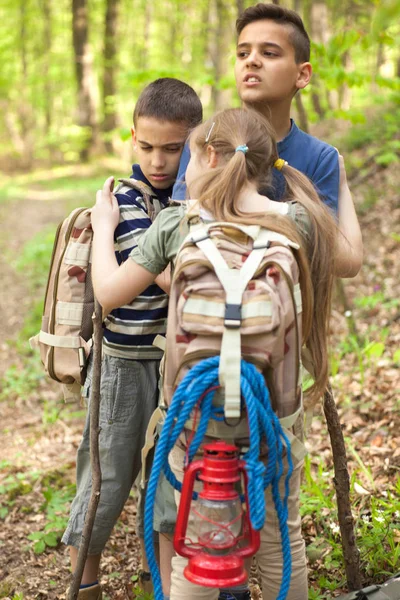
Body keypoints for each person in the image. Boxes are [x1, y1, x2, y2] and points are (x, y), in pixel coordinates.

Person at [90, 107, 356, 600]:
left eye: (188, 157)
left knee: (197, 549)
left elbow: (108, 292)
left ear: (210, 154)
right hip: (272, 417)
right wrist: (337, 183)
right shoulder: (296, 219)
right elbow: (352, 258)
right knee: (282, 541)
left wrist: (105, 226)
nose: (183, 172)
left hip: (194, 422)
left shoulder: (177, 222)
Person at [61, 77, 202, 600]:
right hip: (124, 359)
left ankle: (160, 581)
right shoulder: (124, 199)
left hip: (178, 363)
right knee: (107, 474)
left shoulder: (191, 196)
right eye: (146, 146)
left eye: (173, 148)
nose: (159, 160)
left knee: (167, 475)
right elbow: (168, 277)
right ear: (131, 138)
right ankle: (85, 582)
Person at [173, 2, 363, 279]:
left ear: (302, 74)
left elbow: (337, 260)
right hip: (205, 312)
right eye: (243, 52)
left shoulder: (320, 158)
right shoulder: (204, 141)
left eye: (270, 53)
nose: (252, 60)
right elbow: (174, 244)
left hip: (287, 317)